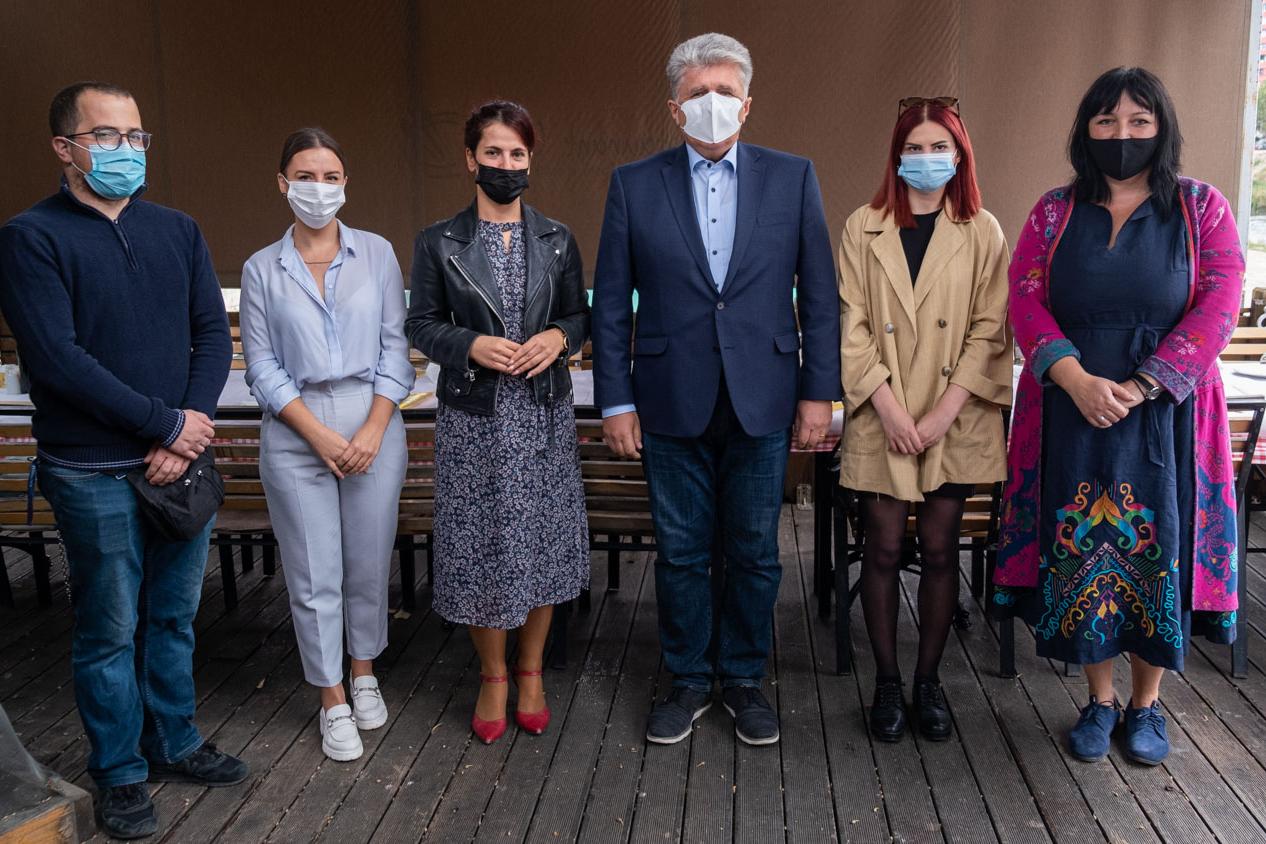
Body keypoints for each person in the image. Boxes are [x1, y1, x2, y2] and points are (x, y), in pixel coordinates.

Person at [0, 82, 246, 839]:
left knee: (173, 615)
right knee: (108, 628)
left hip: (180, 463)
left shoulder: (178, 229)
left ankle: (173, 740)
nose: (126, 150)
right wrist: (166, 426)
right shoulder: (30, 238)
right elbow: (58, 358)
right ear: (64, 147)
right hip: (92, 469)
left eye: (136, 136)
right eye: (105, 136)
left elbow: (212, 333)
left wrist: (187, 428)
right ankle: (120, 772)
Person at [592, 33, 839, 747]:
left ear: (748, 104)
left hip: (765, 394)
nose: (712, 104)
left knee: (757, 550)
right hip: (669, 397)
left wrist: (819, 393)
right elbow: (611, 305)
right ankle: (688, 678)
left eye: (725, 92)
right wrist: (616, 401)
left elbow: (820, 296)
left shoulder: (793, 177)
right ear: (675, 109)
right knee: (681, 552)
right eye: (697, 94)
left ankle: (743, 677)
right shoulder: (633, 183)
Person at [994, 67, 1245, 766]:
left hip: (1166, 414)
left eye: (1139, 121)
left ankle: (1146, 705)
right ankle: (1099, 699)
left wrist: (1140, 386)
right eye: (1106, 121)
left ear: (1162, 128)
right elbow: (1025, 296)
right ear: (1086, 130)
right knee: (1082, 550)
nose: (1122, 134)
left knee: (1158, 549)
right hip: (1071, 407)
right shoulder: (1054, 211)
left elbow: (1221, 301)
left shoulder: (1202, 208)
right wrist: (1074, 378)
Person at [406, 100, 591, 745]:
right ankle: (492, 674)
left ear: (529, 160)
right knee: (480, 547)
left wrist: (559, 339)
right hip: (474, 419)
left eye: (517, 153)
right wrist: (470, 345)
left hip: (542, 414)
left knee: (542, 542)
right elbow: (420, 324)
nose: (505, 164)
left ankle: (531, 670)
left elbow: (579, 316)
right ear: (470, 160)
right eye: (493, 152)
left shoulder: (557, 238)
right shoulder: (438, 241)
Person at [838, 98, 1011, 742]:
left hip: (953, 414)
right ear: (896, 155)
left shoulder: (983, 230)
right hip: (881, 413)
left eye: (940, 147)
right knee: (881, 549)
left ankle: (928, 681)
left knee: (942, 550)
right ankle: (887, 682)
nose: (927, 159)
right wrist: (888, 408)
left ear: (960, 156)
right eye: (915, 147)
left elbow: (991, 331)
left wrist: (942, 413)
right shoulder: (864, 226)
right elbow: (851, 325)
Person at [240, 129, 413, 762]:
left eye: (331, 177)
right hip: (296, 425)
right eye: (306, 177)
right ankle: (331, 696)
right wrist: (315, 433)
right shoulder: (262, 267)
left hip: (372, 418)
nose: (319, 188)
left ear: (346, 184)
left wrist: (371, 429)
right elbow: (260, 365)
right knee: (313, 572)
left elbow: (396, 349)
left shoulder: (378, 253)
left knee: (367, 561)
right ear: (282, 184)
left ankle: (364, 671)